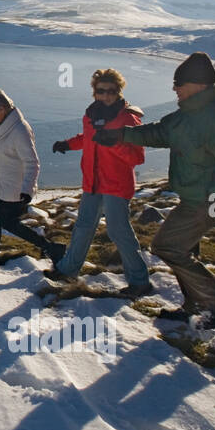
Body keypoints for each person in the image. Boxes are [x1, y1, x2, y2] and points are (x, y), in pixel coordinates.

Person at [93, 52, 215, 329]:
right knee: (185, 251)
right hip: (194, 197)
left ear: (199, 84)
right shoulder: (189, 115)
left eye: (179, 83)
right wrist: (121, 134)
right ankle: (196, 304)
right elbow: (159, 132)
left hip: (206, 201)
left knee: (167, 245)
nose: (174, 88)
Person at [45, 68, 151, 296]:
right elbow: (87, 139)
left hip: (116, 185)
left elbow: (138, 157)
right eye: (101, 91)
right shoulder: (91, 115)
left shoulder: (128, 118)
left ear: (118, 91)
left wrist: (114, 143)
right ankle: (67, 270)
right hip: (92, 183)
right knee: (83, 227)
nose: (106, 95)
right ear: (95, 92)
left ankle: (140, 281)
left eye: (111, 91)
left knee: (118, 231)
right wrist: (67, 144)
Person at [0, 88, 65, 267]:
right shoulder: (2, 124)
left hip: (16, 189)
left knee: (7, 222)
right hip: (3, 185)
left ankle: (50, 247)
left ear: (2, 108)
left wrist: (27, 189)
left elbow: (32, 163)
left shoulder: (20, 131)